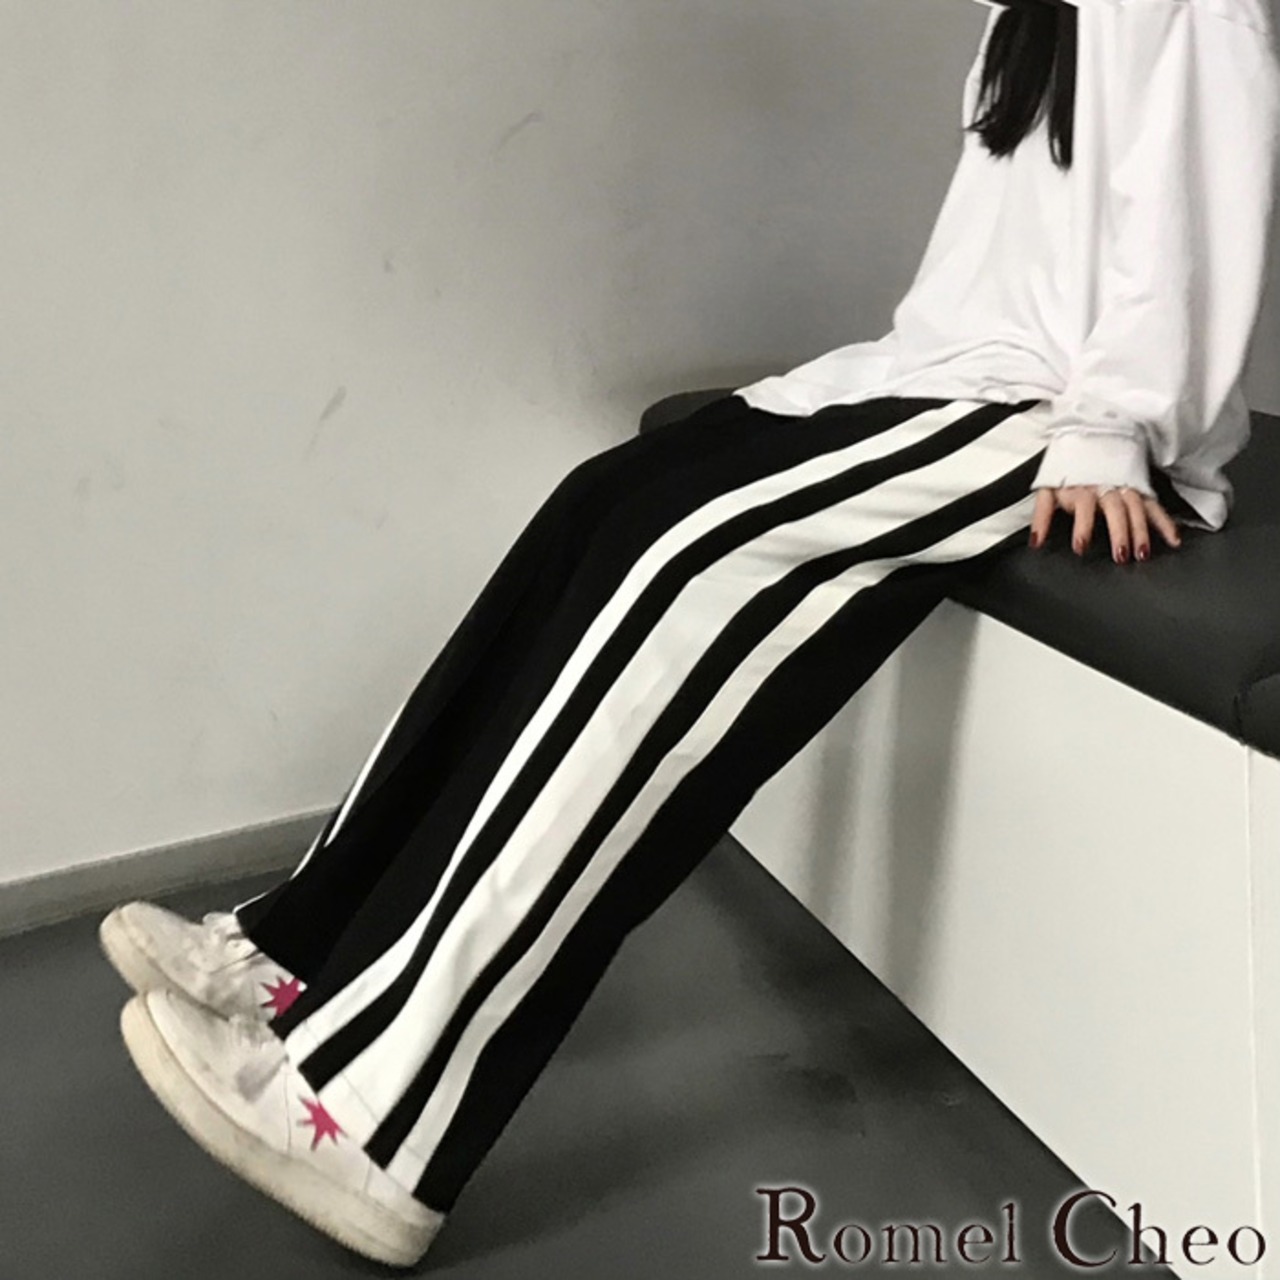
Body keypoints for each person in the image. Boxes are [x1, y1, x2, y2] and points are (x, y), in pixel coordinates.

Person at [99, 0, 1280, 1268]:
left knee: (684, 565)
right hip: (948, 376)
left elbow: (1201, 198)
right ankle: (301, 944)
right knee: (599, 504)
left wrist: (1111, 426)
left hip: (1062, 423)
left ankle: (382, 1110)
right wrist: (895, 374)